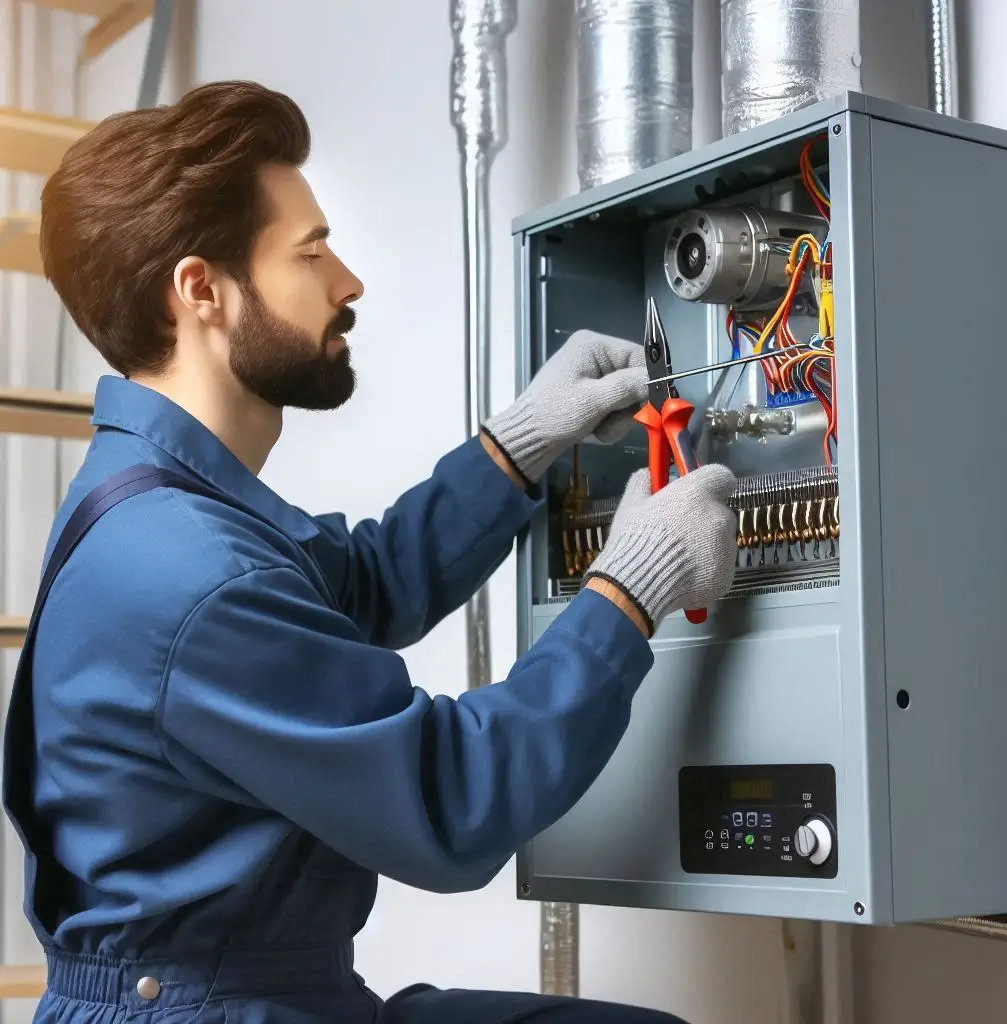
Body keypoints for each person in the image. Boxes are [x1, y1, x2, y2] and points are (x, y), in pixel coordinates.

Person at [2, 80, 738, 1024]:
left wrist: (518, 444)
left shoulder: (167, 502)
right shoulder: (185, 573)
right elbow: (451, 798)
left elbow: (365, 582)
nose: (347, 282)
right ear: (201, 291)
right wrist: (633, 586)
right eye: (310, 253)